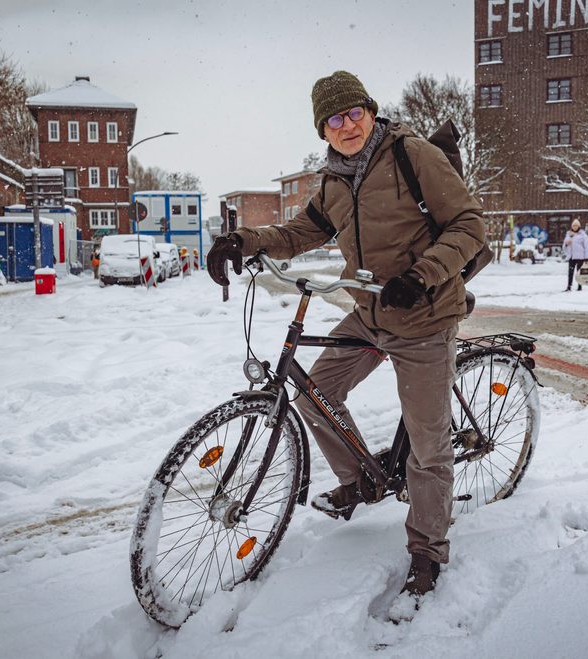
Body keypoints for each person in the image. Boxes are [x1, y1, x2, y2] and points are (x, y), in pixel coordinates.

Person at [206, 70, 485, 602]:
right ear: (323, 130)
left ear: (371, 112)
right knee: (315, 392)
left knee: (427, 446)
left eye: (355, 112)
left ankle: (427, 550)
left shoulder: (413, 155)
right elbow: (300, 232)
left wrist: (422, 275)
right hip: (371, 312)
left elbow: (469, 224)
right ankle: (363, 479)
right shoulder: (334, 179)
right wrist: (243, 240)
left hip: (424, 316)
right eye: (334, 119)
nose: (348, 125)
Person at [562, 219, 588, 291]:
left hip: (580, 257)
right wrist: (566, 244)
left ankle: (579, 286)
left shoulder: (583, 235)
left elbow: (587, 246)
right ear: (571, 226)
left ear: (579, 227)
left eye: (576, 226)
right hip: (571, 256)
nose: (575, 227)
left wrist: (587, 257)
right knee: (570, 272)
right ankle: (569, 287)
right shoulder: (568, 234)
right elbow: (564, 245)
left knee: (579, 272)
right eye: (573, 226)